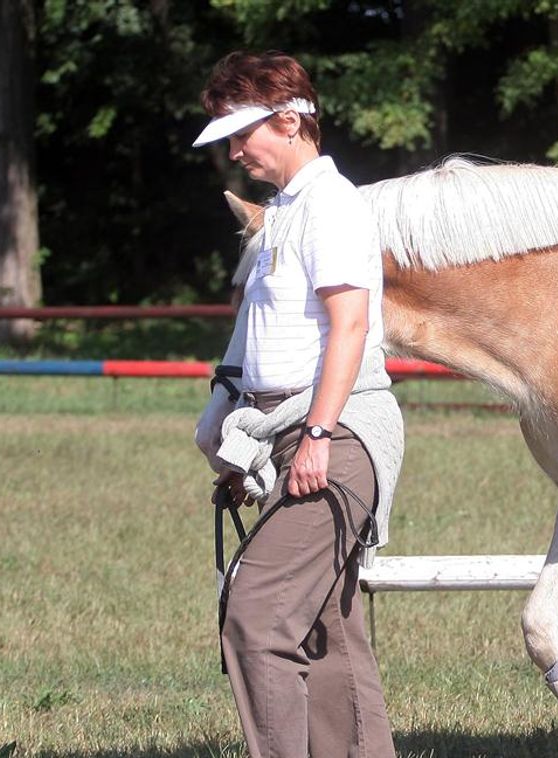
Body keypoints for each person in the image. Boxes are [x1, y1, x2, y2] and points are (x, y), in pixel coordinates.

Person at [192, 51, 402, 758]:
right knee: (327, 629)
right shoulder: (282, 212)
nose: (234, 149)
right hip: (293, 433)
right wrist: (235, 433)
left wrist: (315, 433)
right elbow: (267, 340)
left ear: (289, 120)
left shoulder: (332, 205)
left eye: (242, 132)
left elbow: (350, 325)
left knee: (256, 616)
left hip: (333, 434)